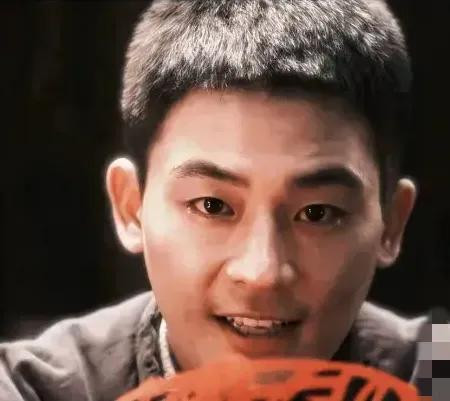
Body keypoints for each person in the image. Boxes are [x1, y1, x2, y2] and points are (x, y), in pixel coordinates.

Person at [0, 0, 447, 400]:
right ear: (131, 207)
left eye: (317, 213)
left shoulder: (435, 371)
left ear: (391, 223)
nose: (262, 273)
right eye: (212, 206)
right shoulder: (29, 387)